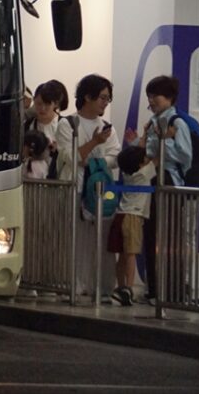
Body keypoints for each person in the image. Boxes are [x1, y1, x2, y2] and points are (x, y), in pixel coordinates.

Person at [121, 75, 193, 304]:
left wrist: (161, 145)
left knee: (169, 238)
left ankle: (171, 290)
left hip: (170, 181)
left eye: (155, 96)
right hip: (153, 179)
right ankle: (154, 289)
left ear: (169, 97)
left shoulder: (176, 123)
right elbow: (147, 152)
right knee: (153, 236)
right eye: (149, 97)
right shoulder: (154, 122)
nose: (151, 101)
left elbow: (185, 156)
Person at [55, 74, 121, 296]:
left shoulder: (107, 128)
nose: (105, 103)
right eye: (102, 97)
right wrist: (95, 144)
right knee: (74, 240)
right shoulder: (67, 124)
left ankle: (100, 286)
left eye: (107, 99)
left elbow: (114, 157)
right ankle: (73, 284)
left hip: (100, 189)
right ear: (87, 97)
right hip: (75, 187)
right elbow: (71, 157)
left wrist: (93, 159)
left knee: (100, 241)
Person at [107, 145, 155, 306]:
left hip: (120, 215)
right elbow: (158, 158)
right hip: (133, 217)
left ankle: (120, 287)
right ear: (141, 164)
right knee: (131, 254)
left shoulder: (128, 173)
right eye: (145, 159)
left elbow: (137, 156)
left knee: (121, 255)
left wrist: (134, 142)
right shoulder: (144, 173)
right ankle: (129, 288)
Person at [23, 80, 69, 178]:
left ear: (56, 104)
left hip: (59, 179)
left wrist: (59, 149)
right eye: (39, 104)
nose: (42, 108)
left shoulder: (64, 125)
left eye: (47, 104)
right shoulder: (27, 125)